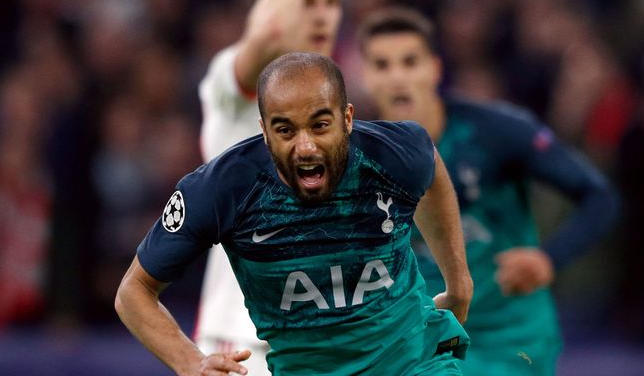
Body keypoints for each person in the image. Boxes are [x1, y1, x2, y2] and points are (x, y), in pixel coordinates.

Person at [116, 52, 473, 375]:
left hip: (416, 363)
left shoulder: (393, 154)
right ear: (265, 131)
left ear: (347, 118)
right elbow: (134, 291)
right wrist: (190, 362)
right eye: (285, 130)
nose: (305, 147)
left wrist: (458, 283)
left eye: (320, 126)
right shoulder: (221, 189)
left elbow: (431, 170)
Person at [357, 7, 619, 375]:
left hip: (511, 339)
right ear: (366, 76)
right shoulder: (360, 159)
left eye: (409, 62)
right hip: (425, 336)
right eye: (382, 65)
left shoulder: (496, 132)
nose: (397, 77)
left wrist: (549, 259)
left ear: (434, 68)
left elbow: (599, 198)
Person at [195, 0, 342, 373]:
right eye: (306, 1)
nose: (321, 16)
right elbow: (271, 32)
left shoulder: (337, 106)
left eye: (331, 2)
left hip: (320, 346)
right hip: (241, 345)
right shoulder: (233, 81)